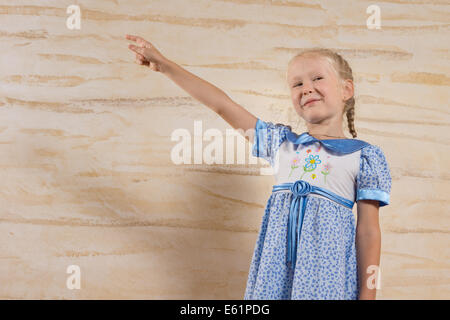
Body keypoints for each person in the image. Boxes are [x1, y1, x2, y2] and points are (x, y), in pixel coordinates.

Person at [125, 35, 392, 300]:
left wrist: (367, 296)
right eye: (296, 84)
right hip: (275, 274)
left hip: (327, 275)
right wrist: (165, 65)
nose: (306, 88)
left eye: (317, 78)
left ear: (346, 89)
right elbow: (222, 105)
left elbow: (368, 231)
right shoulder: (281, 144)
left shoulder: (363, 156)